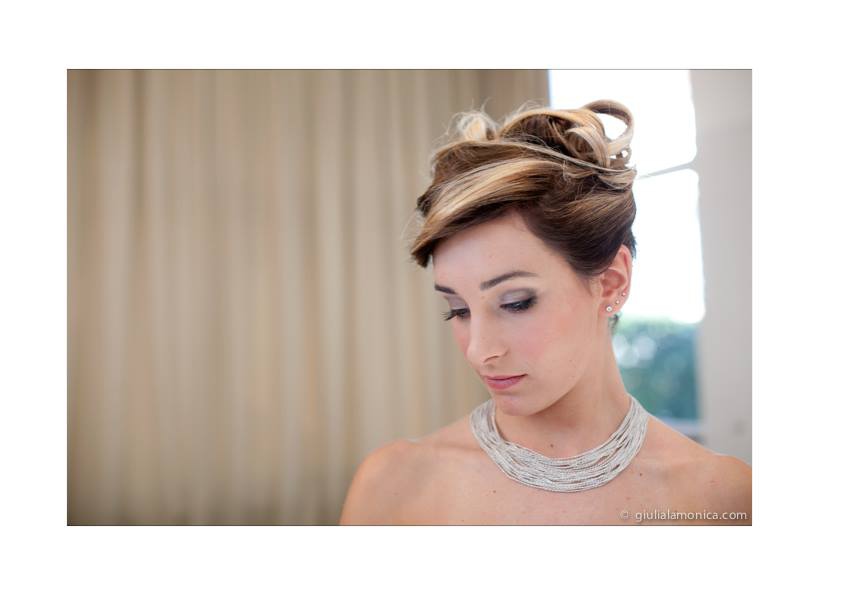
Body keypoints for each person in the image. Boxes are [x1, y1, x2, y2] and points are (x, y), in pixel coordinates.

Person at [339, 100, 751, 525]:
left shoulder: (725, 498)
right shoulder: (392, 486)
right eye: (458, 310)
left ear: (612, 282)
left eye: (516, 303)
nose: (479, 351)